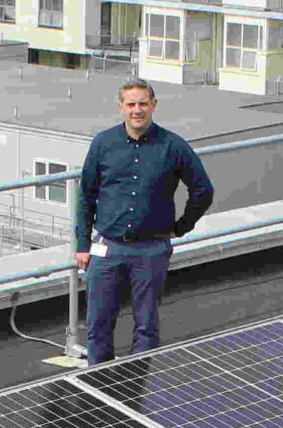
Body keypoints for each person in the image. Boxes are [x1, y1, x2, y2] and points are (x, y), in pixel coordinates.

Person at [73, 80, 214, 366]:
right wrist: (83, 244)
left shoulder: (173, 146)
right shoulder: (103, 143)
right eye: (131, 104)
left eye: (143, 103)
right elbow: (86, 196)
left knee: (146, 326)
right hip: (107, 250)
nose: (137, 110)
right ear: (121, 107)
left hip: (151, 250)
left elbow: (203, 191)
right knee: (98, 323)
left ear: (153, 105)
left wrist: (181, 226)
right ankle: (98, 385)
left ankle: (135, 387)